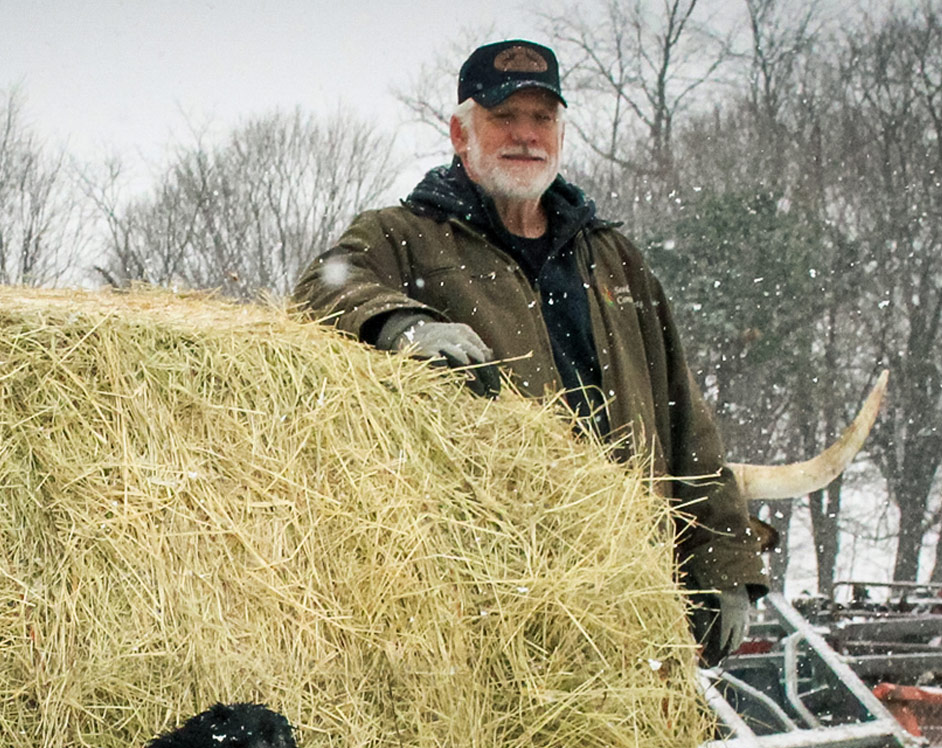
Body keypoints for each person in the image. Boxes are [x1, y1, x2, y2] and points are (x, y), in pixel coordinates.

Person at [294, 39, 769, 661]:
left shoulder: (615, 261)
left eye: (542, 118)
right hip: (482, 599)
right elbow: (319, 288)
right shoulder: (401, 236)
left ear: (561, 133)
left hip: (627, 594)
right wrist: (402, 325)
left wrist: (726, 562)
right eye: (503, 117)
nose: (525, 135)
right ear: (461, 134)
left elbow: (685, 422)